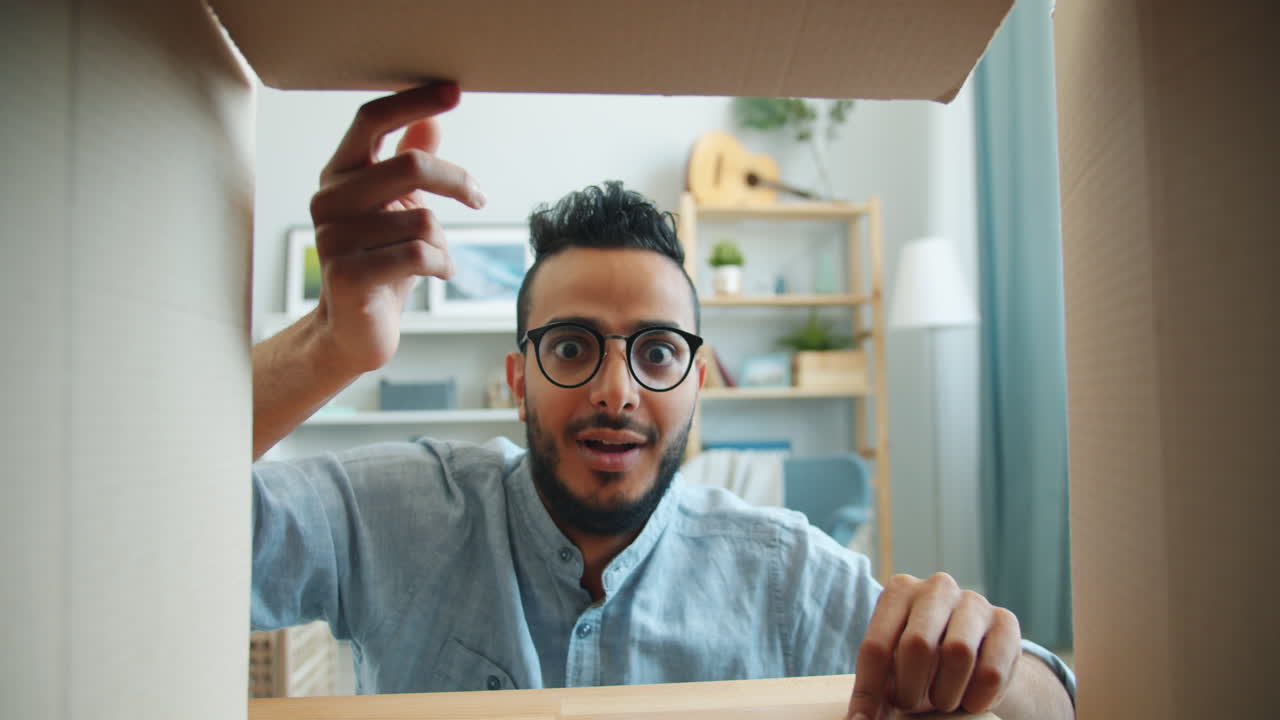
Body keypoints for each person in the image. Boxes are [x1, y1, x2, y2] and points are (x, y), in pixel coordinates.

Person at [251, 82, 1076, 720]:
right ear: (517, 380)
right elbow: (144, 515)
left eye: (656, 353)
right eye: (571, 347)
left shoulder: (782, 572)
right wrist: (328, 346)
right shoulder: (391, 514)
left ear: (698, 381)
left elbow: (1054, 694)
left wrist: (982, 658)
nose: (617, 392)